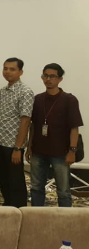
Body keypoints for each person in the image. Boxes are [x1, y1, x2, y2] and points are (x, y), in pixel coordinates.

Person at [26, 63, 83, 207]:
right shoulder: (37, 99)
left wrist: (72, 151)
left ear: (60, 79)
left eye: (52, 76)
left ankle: (65, 218)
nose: (48, 79)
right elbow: (33, 126)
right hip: (38, 151)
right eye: (45, 76)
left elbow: (74, 128)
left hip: (61, 153)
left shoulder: (69, 100)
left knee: (63, 190)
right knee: (36, 187)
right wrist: (29, 147)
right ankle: (37, 216)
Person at [0, 57, 34, 208]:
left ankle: (19, 209)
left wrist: (18, 148)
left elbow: (26, 121)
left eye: (12, 69)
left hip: (13, 144)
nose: (8, 72)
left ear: (20, 72)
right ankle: (8, 206)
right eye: (5, 68)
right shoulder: (2, 91)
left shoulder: (25, 92)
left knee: (15, 180)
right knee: (4, 178)